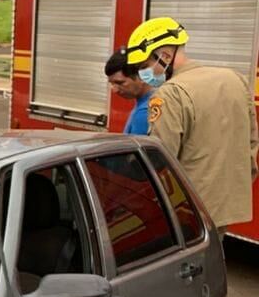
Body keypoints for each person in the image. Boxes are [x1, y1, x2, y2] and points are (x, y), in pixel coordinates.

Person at [124, 17, 259, 233]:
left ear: (165, 56)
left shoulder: (169, 93)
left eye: (144, 66)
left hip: (187, 212)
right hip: (224, 206)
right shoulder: (234, 79)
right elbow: (251, 142)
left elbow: (160, 159)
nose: (143, 75)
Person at [103, 49, 152, 135]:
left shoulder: (144, 112)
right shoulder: (144, 103)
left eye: (120, 83)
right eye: (112, 83)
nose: (115, 90)